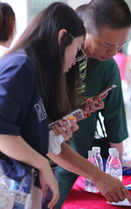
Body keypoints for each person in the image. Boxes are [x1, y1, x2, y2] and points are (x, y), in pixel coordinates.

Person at [0, 2, 87, 208]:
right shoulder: (21, 66)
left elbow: (20, 132)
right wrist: (42, 165)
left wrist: (51, 138)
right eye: (76, 49)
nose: (75, 60)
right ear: (61, 37)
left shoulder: (32, 71)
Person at [55, 0, 131, 207]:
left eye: (121, 46)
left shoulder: (107, 66)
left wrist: (80, 110)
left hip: (73, 159)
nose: (114, 53)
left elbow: (114, 117)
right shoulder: (42, 64)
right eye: (107, 45)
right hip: (43, 160)